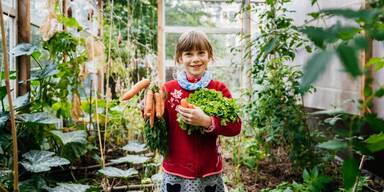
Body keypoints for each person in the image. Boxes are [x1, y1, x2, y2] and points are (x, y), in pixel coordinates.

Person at [159, 30, 242, 192]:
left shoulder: (218, 88)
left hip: (208, 170)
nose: (195, 59)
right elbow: (157, 123)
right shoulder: (168, 89)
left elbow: (235, 127)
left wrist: (207, 121)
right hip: (177, 171)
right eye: (189, 54)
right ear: (180, 58)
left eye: (201, 53)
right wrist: (147, 110)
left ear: (209, 56)